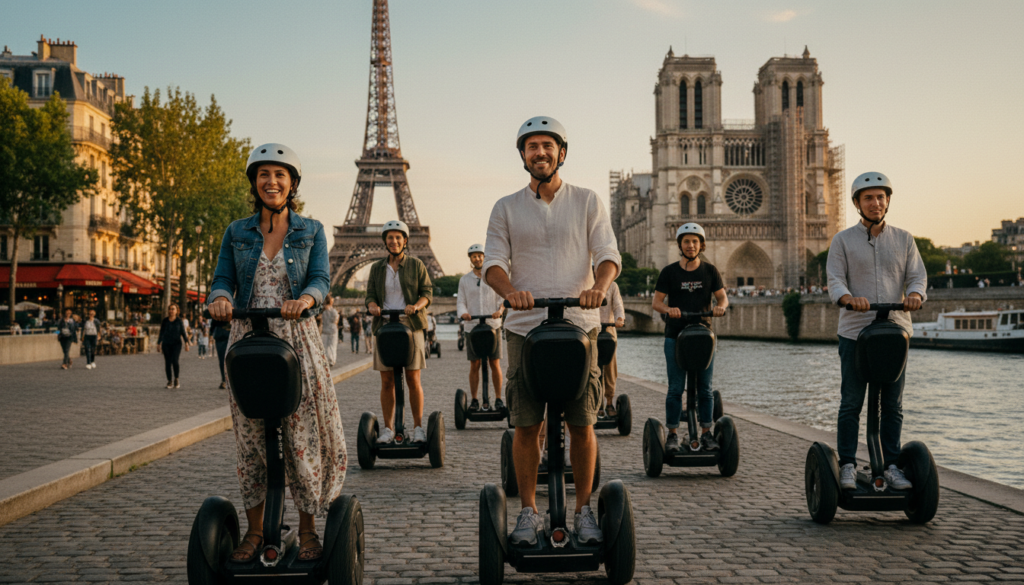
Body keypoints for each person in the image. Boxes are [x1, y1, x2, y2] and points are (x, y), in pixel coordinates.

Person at [483, 116, 621, 548]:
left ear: (562, 152)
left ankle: (582, 511)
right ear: (523, 156)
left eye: (547, 146)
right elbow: (493, 264)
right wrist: (511, 291)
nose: (539, 153)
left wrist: (599, 288)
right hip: (525, 329)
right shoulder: (505, 207)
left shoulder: (587, 201)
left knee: (582, 424)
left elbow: (607, 253)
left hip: (580, 328)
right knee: (526, 425)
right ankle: (527, 510)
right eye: (531, 147)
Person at [207, 142, 346, 563]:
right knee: (250, 440)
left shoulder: (312, 230)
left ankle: (306, 530)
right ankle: (253, 530)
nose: (271, 181)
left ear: (293, 183)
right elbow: (222, 278)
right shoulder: (236, 231)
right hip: (248, 340)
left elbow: (321, 278)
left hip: (297, 342)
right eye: (263, 174)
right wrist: (219, 299)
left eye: (280, 174)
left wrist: (305, 299)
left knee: (300, 437)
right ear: (254, 182)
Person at [826, 171, 926, 491]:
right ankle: (848, 464)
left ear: (888, 201)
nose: (876, 202)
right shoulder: (842, 240)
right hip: (856, 332)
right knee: (852, 402)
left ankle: (892, 464)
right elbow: (835, 279)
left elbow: (917, 276)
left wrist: (915, 295)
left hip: (895, 332)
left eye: (881, 196)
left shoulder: (904, 239)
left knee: (892, 405)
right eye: (868, 197)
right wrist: (846, 298)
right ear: (857, 203)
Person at [652, 223, 728, 453]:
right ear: (680, 245)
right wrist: (669, 310)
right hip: (675, 335)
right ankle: (673, 434)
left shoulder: (710, 271)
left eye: (695, 241)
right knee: (676, 388)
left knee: (705, 388)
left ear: (701, 244)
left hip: (704, 336)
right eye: (686, 241)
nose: (691, 245)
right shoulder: (669, 272)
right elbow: (656, 303)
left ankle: (706, 433)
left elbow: (723, 298)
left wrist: (720, 307)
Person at [365, 219, 433, 444]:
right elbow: (370, 296)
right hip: (384, 328)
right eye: (390, 237)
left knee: (413, 378)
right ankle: (387, 428)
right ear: (385, 240)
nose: (393, 241)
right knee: (386, 381)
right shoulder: (376, 268)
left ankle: (418, 427)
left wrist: (416, 306)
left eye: (398, 237)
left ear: (405, 241)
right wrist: (372, 306)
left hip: (410, 326)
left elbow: (427, 293)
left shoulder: (416, 265)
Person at [456, 243, 505, 411]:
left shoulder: (493, 277)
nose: (477, 258)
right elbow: (461, 301)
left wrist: (500, 310)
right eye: (474, 256)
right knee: (474, 364)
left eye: (479, 255)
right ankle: (475, 399)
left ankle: (498, 398)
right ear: (470, 259)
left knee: (494, 363)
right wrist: (463, 313)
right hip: (473, 327)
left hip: (493, 326)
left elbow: (501, 298)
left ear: (484, 257)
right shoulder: (464, 280)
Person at [598, 277, 626, 417]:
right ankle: (595, 403)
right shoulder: (585, 283)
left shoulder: (612, 285)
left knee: (610, 369)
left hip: (608, 330)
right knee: (591, 368)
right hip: (590, 330)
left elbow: (618, 305)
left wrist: (619, 318)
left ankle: (609, 402)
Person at [157, 303, 190, 388]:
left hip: (176, 344)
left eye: (173, 309)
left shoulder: (179, 321)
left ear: (176, 311)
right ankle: (169, 381)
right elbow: (161, 333)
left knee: (175, 361)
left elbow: (183, 332)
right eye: (170, 309)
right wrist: (158, 343)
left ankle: (176, 379)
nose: (171, 311)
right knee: (167, 362)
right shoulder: (165, 321)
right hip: (166, 344)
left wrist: (186, 343)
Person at [320, 295, 340, 367]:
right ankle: (332, 360)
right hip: (332, 329)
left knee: (325, 345)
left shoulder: (323, 310)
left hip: (325, 329)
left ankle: (325, 359)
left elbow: (321, 320)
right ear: (331, 301)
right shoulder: (333, 311)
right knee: (332, 345)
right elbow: (335, 321)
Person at [212, 319, 231, 389]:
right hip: (220, 338)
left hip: (230, 336)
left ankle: (230, 380)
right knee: (222, 360)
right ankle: (224, 380)